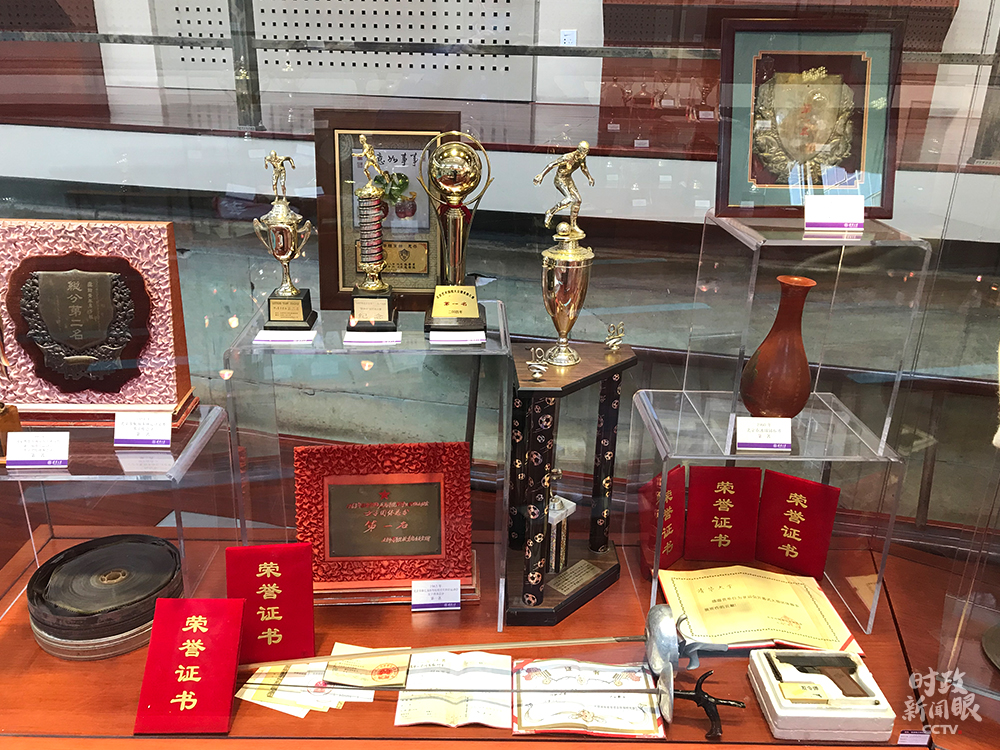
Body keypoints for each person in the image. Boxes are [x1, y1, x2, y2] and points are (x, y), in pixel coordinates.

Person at [533, 141, 594, 233]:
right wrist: (541, 175)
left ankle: (573, 225)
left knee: (578, 200)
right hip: (560, 180)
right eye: (584, 151)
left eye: (587, 151)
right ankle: (550, 212)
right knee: (570, 199)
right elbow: (551, 165)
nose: (586, 153)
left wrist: (589, 177)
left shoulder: (581, 157)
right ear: (579, 150)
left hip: (568, 179)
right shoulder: (567, 157)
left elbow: (583, 168)